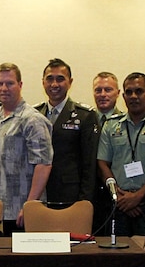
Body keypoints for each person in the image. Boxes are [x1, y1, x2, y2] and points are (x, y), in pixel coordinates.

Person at [98, 73, 145, 235]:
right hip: (119, 202)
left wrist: (138, 196)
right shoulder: (111, 125)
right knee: (117, 256)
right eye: (129, 92)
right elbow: (102, 163)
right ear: (123, 96)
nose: (133, 96)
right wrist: (118, 194)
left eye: (139, 91)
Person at [0, 63, 53, 235]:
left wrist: (29, 206)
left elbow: (44, 164)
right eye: (0, 84)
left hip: (20, 212)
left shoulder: (32, 120)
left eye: (10, 83)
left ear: (20, 85)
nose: (4, 88)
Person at [35, 58, 98, 205]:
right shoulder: (34, 114)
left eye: (60, 79)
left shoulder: (85, 115)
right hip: (39, 192)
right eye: (49, 79)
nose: (54, 84)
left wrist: (85, 201)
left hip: (70, 194)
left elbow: (89, 164)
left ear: (70, 82)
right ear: (43, 82)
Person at [91, 71, 123, 232]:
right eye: (98, 90)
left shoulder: (125, 122)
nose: (103, 94)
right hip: (91, 191)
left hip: (118, 190)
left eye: (108, 90)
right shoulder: (85, 119)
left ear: (118, 93)